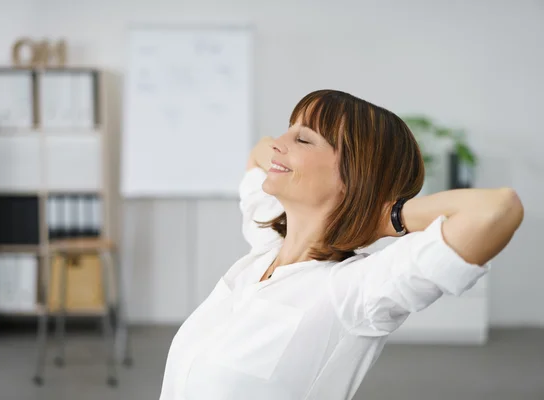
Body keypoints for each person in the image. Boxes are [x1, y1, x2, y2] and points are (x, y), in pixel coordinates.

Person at [158, 90, 524, 400]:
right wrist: (296, 143)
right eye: (289, 130)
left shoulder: (354, 291)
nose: (278, 145)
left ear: (352, 177)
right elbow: (258, 152)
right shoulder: (265, 247)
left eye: (302, 139)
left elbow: (497, 211)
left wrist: (384, 216)